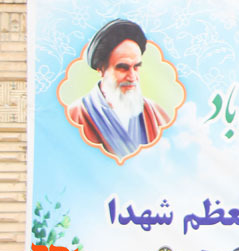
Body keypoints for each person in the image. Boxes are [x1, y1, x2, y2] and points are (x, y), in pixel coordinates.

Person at [66, 19, 171, 162]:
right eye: (123, 68)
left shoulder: (155, 113)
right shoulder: (76, 115)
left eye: (136, 67)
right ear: (101, 69)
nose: (132, 77)